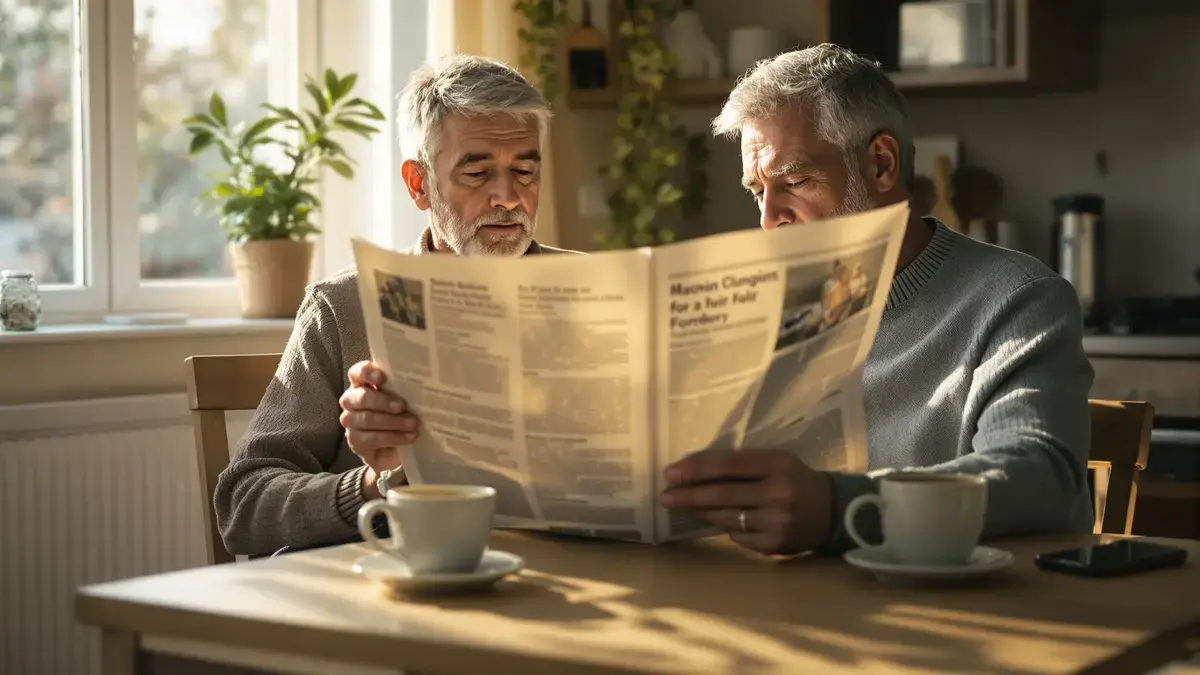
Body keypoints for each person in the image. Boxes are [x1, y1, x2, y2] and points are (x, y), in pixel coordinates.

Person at [657, 44, 1094, 556]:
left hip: (958, 616)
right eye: (758, 192)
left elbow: (1039, 475)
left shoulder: (1017, 300)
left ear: (881, 165)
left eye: (793, 182)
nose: (769, 218)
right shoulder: (764, 311)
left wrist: (839, 508)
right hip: (795, 608)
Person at [214, 54, 580, 557]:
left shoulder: (592, 291)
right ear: (419, 184)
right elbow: (244, 507)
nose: (509, 197)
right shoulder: (345, 307)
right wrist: (376, 483)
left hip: (572, 581)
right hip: (403, 591)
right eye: (477, 173)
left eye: (525, 170)